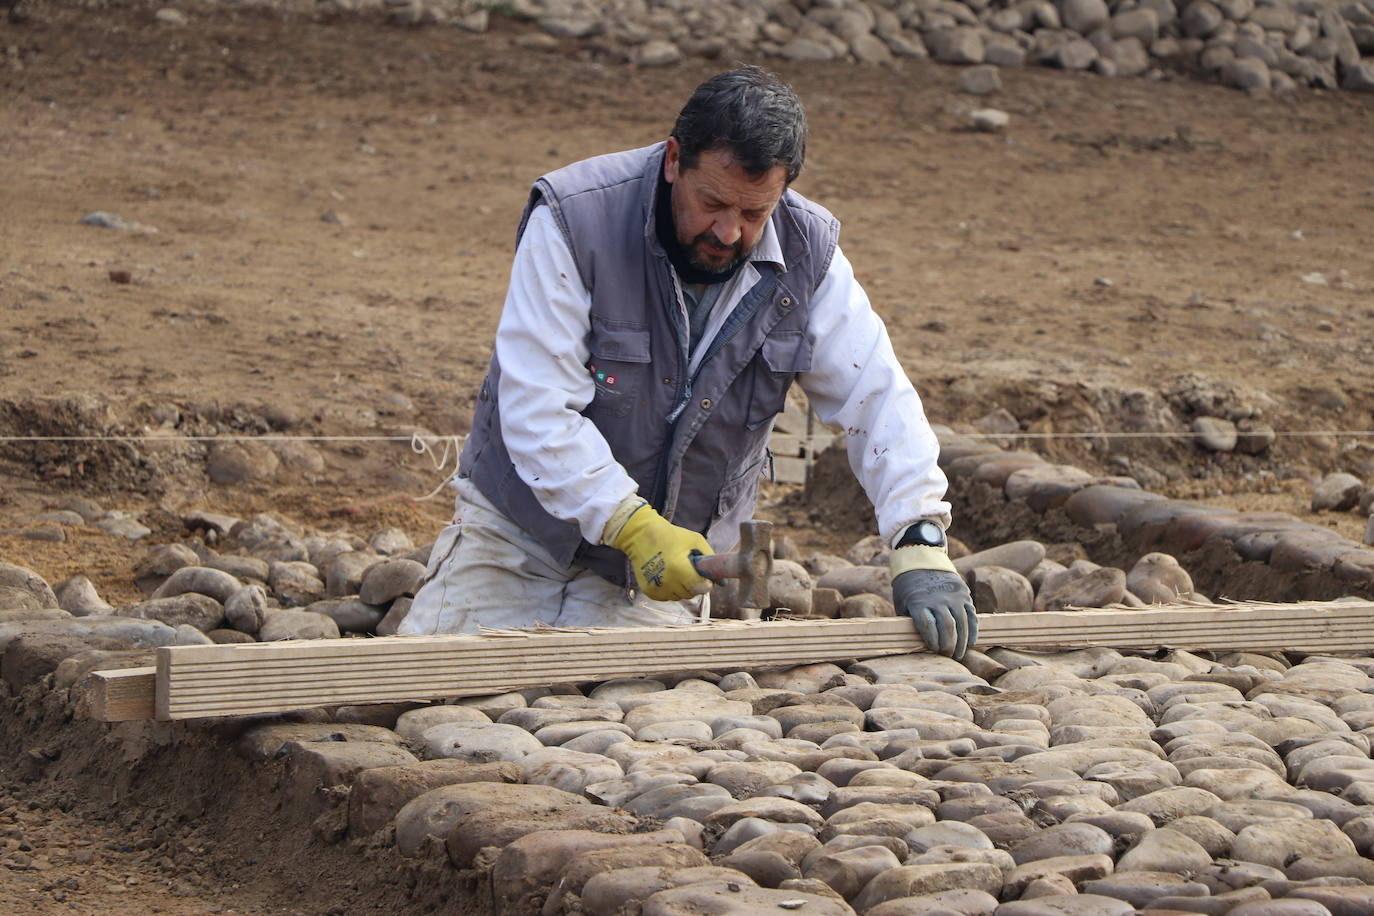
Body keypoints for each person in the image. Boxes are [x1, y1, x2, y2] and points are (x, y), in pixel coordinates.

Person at [399, 66, 977, 658]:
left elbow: (877, 399)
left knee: (617, 730)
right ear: (675, 159)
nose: (728, 232)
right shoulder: (576, 219)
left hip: (666, 569)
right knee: (425, 697)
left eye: (755, 213)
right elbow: (537, 408)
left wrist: (920, 537)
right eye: (713, 203)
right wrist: (633, 526)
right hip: (518, 535)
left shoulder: (811, 258)